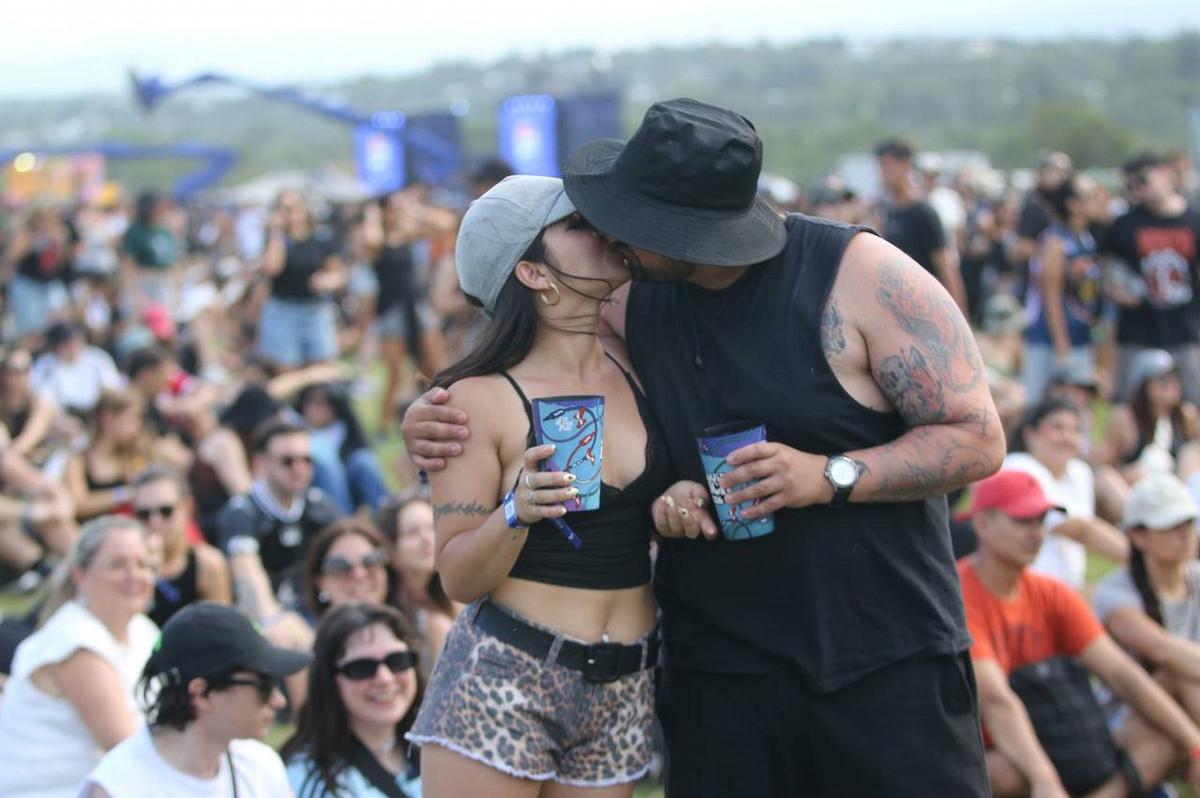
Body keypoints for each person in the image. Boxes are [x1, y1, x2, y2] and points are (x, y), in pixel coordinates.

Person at [404, 98, 1006, 797]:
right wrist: (434, 413)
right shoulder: (631, 292)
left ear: (686, 230)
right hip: (720, 670)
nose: (610, 233)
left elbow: (978, 438)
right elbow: (531, 352)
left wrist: (828, 474)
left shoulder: (861, 276)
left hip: (884, 659)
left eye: (629, 218)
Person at [404, 174, 669, 796]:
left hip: (623, 683)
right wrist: (515, 513)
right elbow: (458, 577)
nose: (603, 231)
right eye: (577, 225)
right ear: (533, 273)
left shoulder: (642, 363)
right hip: (506, 677)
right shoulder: (476, 401)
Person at [960, 469, 1200, 797]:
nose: (1036, 533)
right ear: (983, 523)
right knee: (995, 773)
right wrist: (1044, 778)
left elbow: (1121, 673)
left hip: (1070, 731)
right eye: (1022, 521)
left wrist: (1194, 745)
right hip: (1002, 744)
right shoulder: (961, 595)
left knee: (1164, 736)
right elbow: (997, 702)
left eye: (1040, 521)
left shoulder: (1052, 593)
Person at [81, 602, 310, 797]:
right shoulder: (118, 788)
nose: (279, 701)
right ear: (201, 694)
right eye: (264, 686)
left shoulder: (260, 766)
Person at [0, 516, 157, 797]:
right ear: (80, 575)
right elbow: (127, 749)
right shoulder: (76, 643)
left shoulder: (143, 631)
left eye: (143, 565)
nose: (135, 576)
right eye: (118, 565)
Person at [284, 603, 423, 798]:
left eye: (397, 660)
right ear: (328, 680)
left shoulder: (441, 750)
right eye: (362, 667)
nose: (385, 679)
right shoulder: (310, 778)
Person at [1094, 473, 1200, 726]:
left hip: (1186, 710)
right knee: (1178, 674)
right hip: (1128, 720)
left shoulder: (1196, 576)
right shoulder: (1115, 593)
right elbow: (1162, 650)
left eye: (1188, 522)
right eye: (1171, 525)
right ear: (1137, 536)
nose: (1185, 533)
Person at [1004, 397, 1129, 591]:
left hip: (1068, 590)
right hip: (1025, 589)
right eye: (1058, 428)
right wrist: (1141, 557)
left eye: (1075, 430)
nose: (1067, 437)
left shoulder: (1080, 472)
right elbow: (1077, 528)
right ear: (1030, 434)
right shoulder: (1017, 467)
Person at [1103, 152, 1200, 404]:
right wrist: (1114, 287)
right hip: (1138, 328)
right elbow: (1104, 263)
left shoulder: (1194, 219)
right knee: (1130, 400)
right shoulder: (1125, 224)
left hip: (1184, 327)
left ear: (1165, 173)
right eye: (1131, 185)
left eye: (1144, 180)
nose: (1138, 190)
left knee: (1191, 400)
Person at [1022, 174, 1106, 402]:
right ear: (1072, 204)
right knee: (1041, 405)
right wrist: (1062, 347)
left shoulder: (1086, 239)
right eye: (1090, 196)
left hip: (1079, 336)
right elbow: (1051, 296)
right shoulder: (1056, 242)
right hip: (1050, 342)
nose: (1097, 200)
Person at [874, 138, 969, 313]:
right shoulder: (888, 211)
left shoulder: (923, 212)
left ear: (905, 165)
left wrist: (960, 318)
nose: (883, 173)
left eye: (888, 166)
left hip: (925, 307)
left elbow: (946, 266)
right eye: (881, 167)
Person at [132, 465, 231, 627]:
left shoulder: (207, 564)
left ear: (187, 508)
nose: (155, 522)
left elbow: (220, 631)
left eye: (166, 511)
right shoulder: (127, 568)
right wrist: (149, 570)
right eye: (144, 514)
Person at [257, 191, 344, 370]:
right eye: (281, 209)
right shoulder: (276, 240)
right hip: (283, 310)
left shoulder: (320, 239)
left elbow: (339, 273)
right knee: (287, 367)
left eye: (291, 208)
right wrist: (276, 232)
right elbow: (272, 268)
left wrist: (328, 280)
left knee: (323, 366)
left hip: (315, 310)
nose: (287, 214)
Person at [379, 495, 455, 678]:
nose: (427, 539)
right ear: (391, 548)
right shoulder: (426, 620)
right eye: (412, 532)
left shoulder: (455, 597)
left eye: (432, 527)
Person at [1106, 349, 1200, 485]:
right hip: (1137, 493)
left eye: (1174, 378)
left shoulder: (1185, 415)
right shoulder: (1126, 418)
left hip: (1177, 491)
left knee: (1190, 452)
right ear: (1143, 385)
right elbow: (1108, 463)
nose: (1171, 385)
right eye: (1163, 380)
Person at [298, 383, 389, 514]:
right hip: (316, 486)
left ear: (334, 408)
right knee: (328, 466)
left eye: (321, 404)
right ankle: (343, 525)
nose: (312, 409)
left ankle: (387, 516)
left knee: (363, 461)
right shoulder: (296, 429)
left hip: (351, 482)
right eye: (309, 403)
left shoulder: (346, 429)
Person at [301, 518, 396, 619]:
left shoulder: (410, 629)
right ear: (320, 583)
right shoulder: (304, 633)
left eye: (371, 561)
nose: (359, 574)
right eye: (340, 567)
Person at [30, 321, 123, 418]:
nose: (72, 346)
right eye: (67, 343)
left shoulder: (98, 359)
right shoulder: (45, 364)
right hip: (59, 418)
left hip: (95, 414)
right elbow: (38, 394)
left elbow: (113, 387)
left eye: (76, 341)